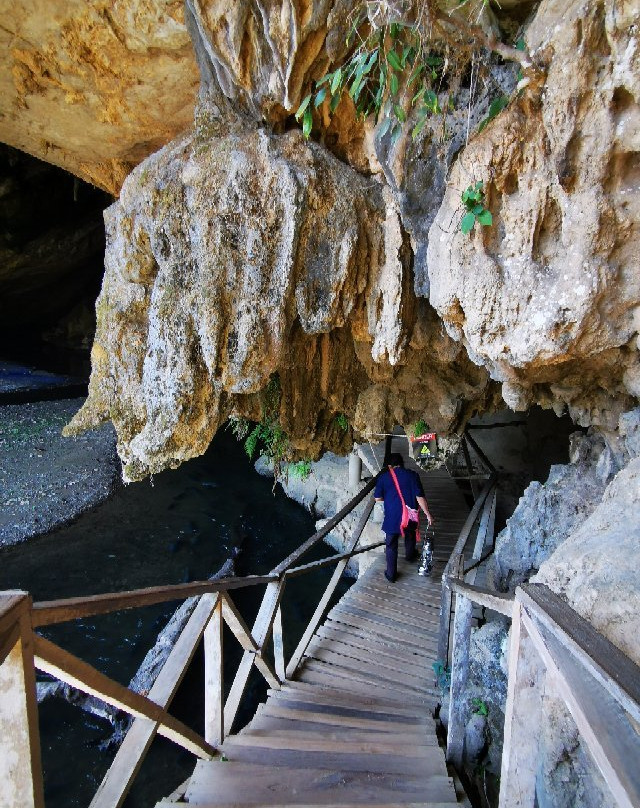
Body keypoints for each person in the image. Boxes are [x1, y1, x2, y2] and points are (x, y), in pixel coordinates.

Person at [374, 452, 434, 583]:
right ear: (401, 463)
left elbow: (377, 498)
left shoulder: (383, 477)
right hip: (409, 516)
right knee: (410, 535)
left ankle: (391, 575)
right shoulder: (413, 475)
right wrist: (427, 513)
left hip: (392, 517)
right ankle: (410, 556)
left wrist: (389, 498)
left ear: (390, 465)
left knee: (391, 545)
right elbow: (419, 497)